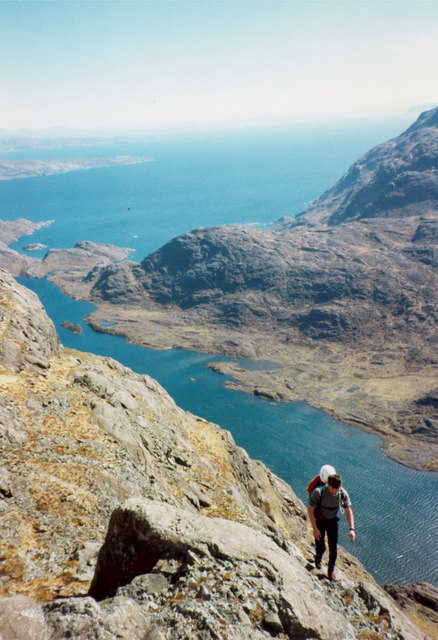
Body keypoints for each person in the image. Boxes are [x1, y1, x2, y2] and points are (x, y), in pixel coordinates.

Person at [308, 473, 356, 581]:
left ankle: (330, 571)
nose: (335, 492)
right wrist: (315, 529)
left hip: (332, 522)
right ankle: (318, 558)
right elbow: (310, 510)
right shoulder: (318, 492)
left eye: (337, 489)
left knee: (333, 548)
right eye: (332, 489)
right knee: (320, 546)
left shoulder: (342, 493)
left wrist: (351, 529)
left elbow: (348, 510)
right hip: (319, 520)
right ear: (328, 485)